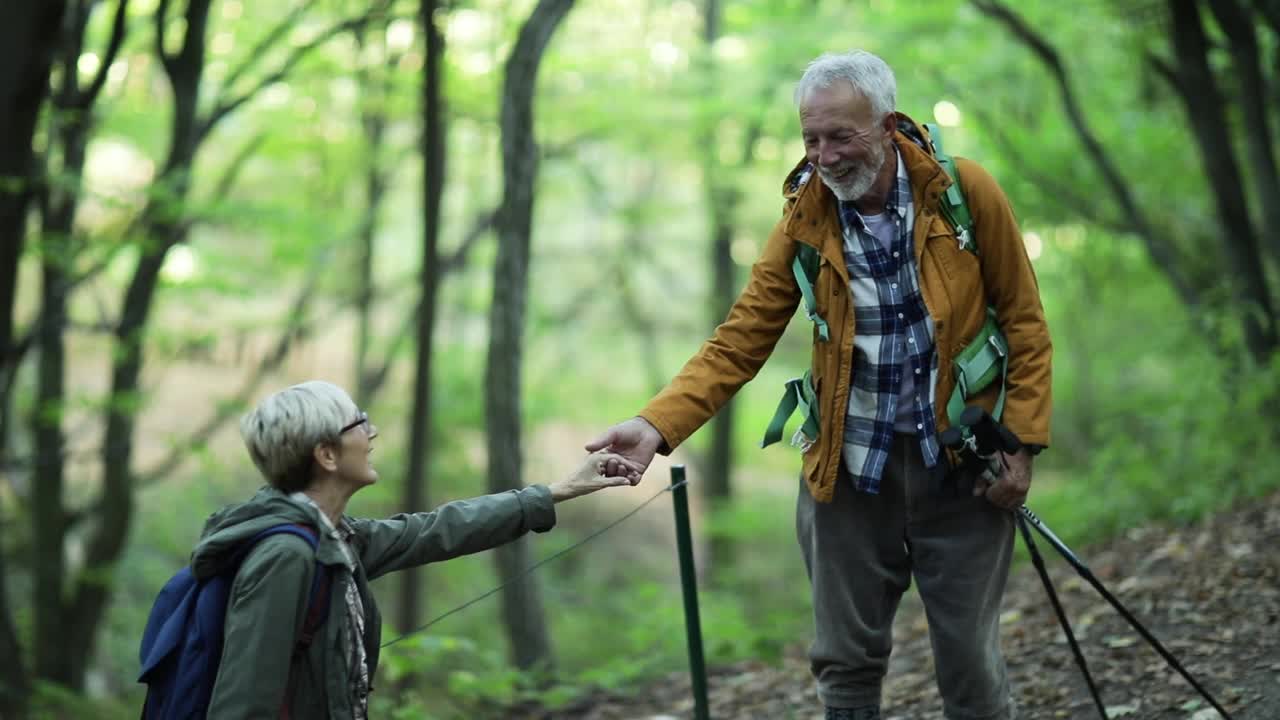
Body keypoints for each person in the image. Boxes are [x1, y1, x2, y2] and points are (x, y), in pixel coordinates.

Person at [587, 50, 1051, 720]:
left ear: (889, 125)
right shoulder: (804, 218)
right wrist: (655, 426)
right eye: (811, 138)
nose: (824, 156)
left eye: (841, 136)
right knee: (845, 667)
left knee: (971, 668)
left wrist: (1023, 443)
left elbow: (1026, 323)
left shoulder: (963, 195)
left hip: (961, 471)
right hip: (848, 475)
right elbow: (740, 338)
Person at [199, 380, 639, 718]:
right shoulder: (286, 556)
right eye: (358, 423)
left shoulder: (336, 539)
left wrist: (561, 489)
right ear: (327, 455)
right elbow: (242, 705)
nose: (371, 433)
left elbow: (437, 530)